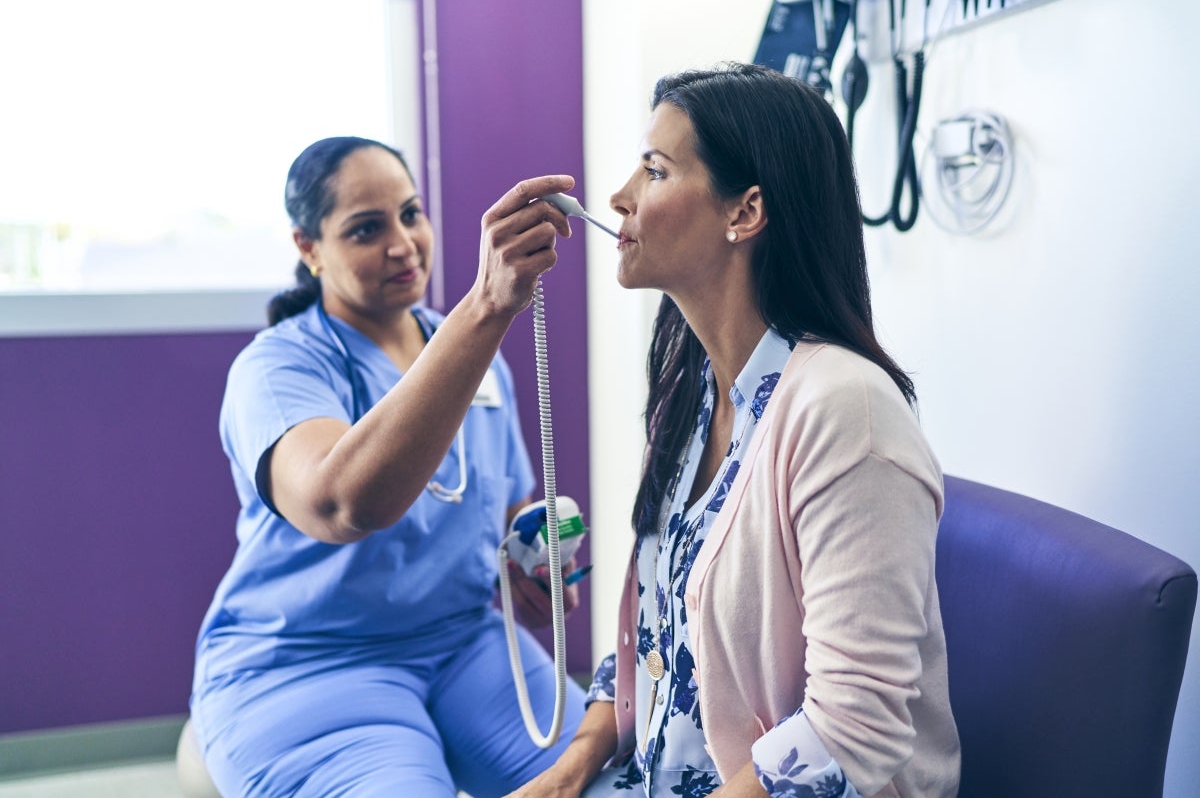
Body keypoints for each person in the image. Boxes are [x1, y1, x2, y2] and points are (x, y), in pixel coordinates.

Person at [508, 63, 960, 798]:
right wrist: (565, 776)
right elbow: (655, 642)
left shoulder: (847, 412)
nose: (619, 197)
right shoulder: (689, 396)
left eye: (654, 171)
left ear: (744, 213)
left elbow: (855, 729)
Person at [189, 136, 588, 798]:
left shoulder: (469, 354)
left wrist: (538, 557)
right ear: (308, 247)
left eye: (410, 213)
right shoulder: (279, 367)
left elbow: (509, 500)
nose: (403, 243)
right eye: (366, 229)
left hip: (465, 646)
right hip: (307, 665)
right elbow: (343, 504)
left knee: (616, 782)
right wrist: (487, 306)